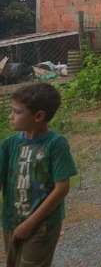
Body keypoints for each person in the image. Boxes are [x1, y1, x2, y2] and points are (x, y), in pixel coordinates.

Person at [1, 83, 77, 267]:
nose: (10, 116)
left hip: (42, 225)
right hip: (11, 221)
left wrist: (30, 224)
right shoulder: (9, 145)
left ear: (39, 116)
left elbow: (61, 188)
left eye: (17, 112)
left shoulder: (55, 144)